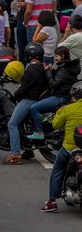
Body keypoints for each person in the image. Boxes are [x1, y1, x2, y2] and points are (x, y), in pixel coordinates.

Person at [3, 44, 49, 165]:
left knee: (12, 124)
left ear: (28, 56)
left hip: (29, 100)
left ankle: (15, 155)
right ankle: (28, 151)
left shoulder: (31, 70)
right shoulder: (43, 67)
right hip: (40, 99)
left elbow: (23, 89)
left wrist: (15, 94)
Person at [41, 81, 82, 212]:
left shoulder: (67, 109)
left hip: (70, 149)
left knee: (58, 169)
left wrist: (59, 113)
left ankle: (52, 202)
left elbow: (55, 125)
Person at [27, 46, 79, 141]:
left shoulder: (63, 69)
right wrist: (53, 71)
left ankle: (39, 132)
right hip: (65, 95)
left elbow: (53, 84)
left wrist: (48, 72)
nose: (55, 58)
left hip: (60, 97)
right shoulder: (66, 66)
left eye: (57, 56)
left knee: (33, 108)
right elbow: (62, 80)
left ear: (62, 56)